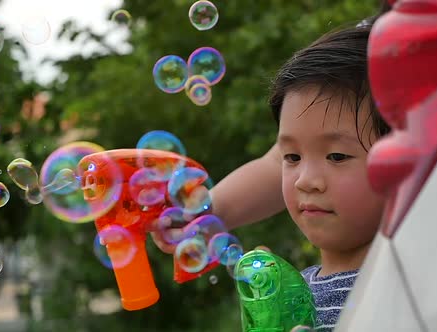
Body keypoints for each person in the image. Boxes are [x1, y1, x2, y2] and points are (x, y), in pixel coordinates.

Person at [153, 12, 391, 332]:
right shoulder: (294, 291)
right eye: (292, 156)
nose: (306, 179)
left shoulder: (402, 284)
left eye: (336, 155)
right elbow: (270, 163)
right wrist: (203, 213)